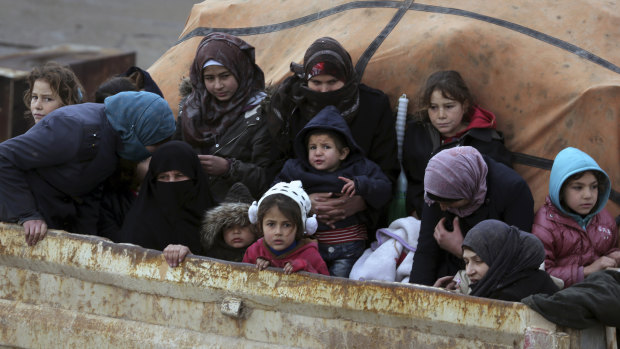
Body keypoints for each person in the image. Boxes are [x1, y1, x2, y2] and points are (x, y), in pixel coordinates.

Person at [0, 91, 176, 246]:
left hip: (53, 223)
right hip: (19, 224)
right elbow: (4, 156)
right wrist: (27, 214)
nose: (156, 154)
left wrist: (87, 239)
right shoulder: (74, 129)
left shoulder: (114, 138)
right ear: (138, 130)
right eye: (157, 144)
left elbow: (90, 190)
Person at [268, 36, 399, 232]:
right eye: (316, 82)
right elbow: (275, 167)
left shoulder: (373, 106)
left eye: (332, 81)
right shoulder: (291, 106)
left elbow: (387, 170)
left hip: (358, 224)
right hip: (299, 223)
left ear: (346, 78)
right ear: (306, 80)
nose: (324, 90)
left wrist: (362, 201)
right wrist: (301, 200)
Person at [274, 105, 392, 277]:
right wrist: (302, 200)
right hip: (309, 247)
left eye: (326, 147)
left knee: (340, 290)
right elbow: (276, 193)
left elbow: (385, 188)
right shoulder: (296, 170)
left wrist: (361, 185)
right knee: (310, 287)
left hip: (349, 247)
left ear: (343, 153)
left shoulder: (359, 168)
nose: (318, 153)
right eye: (313, 147)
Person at [409, 146, 534, 286]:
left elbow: (515, 263)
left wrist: (462, 250)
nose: (442, 208)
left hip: (496, 283)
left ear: (468, 190)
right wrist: (419, 296)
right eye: (438, 202)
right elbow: (426, 252)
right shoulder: (440, 183)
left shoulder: (513, 191)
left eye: (450, 202)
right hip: (448, 274)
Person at [174, 32, 273, 202]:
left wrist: (229, 168)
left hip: (238, 214)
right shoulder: (189, 110)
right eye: (209, 78)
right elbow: (174, 156)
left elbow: (268, 178)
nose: (218, 86)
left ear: (241, 71)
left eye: (225, 76)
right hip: (191, 205)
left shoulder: (260, 114)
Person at [403, 70, 512, 218]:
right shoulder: (417, 135)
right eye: (433, 107)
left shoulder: (486, 142)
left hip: (469, 221)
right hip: (422, 216)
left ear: (465, 105)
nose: (441, 115)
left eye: (449, 106)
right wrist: (415, 209)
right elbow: (412, 179)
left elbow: (498, 189)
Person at [532, 147, 620, 287]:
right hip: (561, 298)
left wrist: (614, 257)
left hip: (600, 291)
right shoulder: (545, 224)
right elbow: (540, 273)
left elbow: (609, 250)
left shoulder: (605, 219)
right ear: (560, 190)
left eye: (594, 187)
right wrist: (586, 272)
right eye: (578, 187)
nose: (588, 195)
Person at [119, 141, 216, 254]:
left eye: (179, 175)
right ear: (153, 181)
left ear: (194, 176)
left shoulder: (216, 220)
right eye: (163, 177)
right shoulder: (139, 223)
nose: (171, 182)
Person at [434, 220, 559, 302]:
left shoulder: (505, 298)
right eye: (466, 262)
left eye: (478, 260)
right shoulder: (536, 279)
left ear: (502, 258)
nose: (469, 271)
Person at [243, 181, 329, 275]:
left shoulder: (310, 255)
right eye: (271, 224)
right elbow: (240, 283)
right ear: (260, 225)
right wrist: (255, 270)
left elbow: (327, 287)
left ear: (299, 227)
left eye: (287, 225)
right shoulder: (254, 251)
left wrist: (305, 268)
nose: (278, 232)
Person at [164, 184, 259, 267]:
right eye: (229, 227)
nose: (236, 231)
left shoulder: (263, 254)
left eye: (243, 225)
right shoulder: (211, 254)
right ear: (220, 229)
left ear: (256, 228)